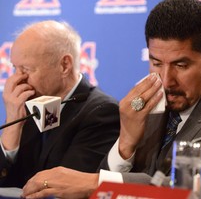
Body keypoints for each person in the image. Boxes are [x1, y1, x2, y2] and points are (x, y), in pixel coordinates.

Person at [22, 0, 201, 199]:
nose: (166, 80)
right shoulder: (146, 95)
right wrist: (126, 144)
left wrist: (94, 183)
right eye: (156, 62)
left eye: (181, 65)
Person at [0, 20, 120, 188]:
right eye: (15, 68)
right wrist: (12, 126)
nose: (16, 80)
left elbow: (63, 189)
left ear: (64, 65)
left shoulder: (101, 112)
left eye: (26, 69)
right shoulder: (26, 105)